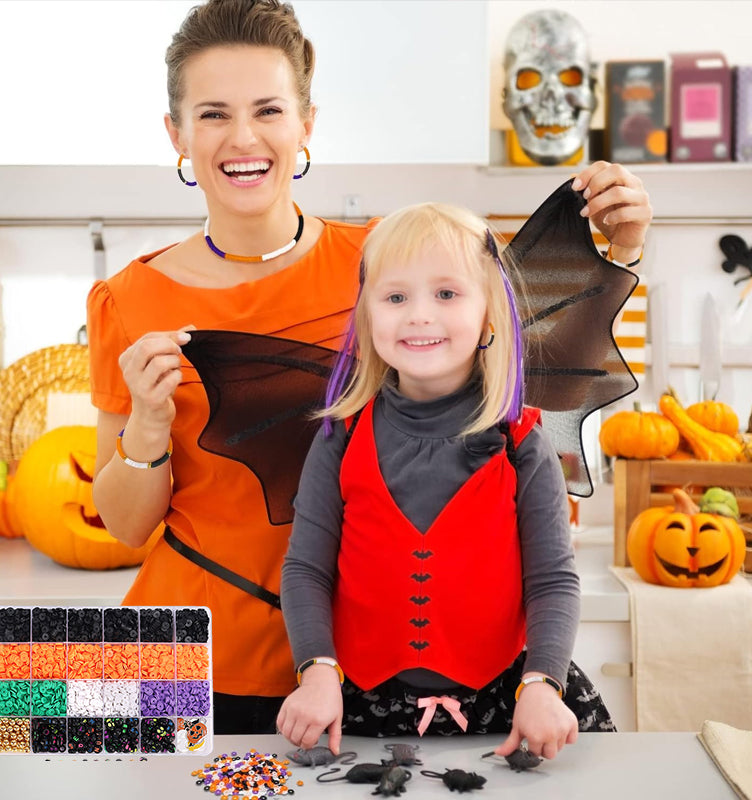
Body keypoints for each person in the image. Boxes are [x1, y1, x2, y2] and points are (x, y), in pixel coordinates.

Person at [86, 0, 652, 735]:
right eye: (213, 114)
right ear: (178, 135)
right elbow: (124, 529)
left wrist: (623, 249)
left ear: (306, 123)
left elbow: (521, 359)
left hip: (365, 679)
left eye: (268, 109)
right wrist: (150, 427)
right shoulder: (126, 298)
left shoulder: (388, 266)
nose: (244, 137)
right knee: (56, 766)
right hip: (174, 652)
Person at [276, 199, 645, 760]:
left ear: (488, 314)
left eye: (446, 294)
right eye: (396, 297)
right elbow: (306, 569)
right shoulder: (340, 437)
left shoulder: (523, 441)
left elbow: (552, 581)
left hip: (510, 699)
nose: (419, 315)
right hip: (362, 704)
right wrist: (317, 670)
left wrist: (543, 684)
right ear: (367, 314)